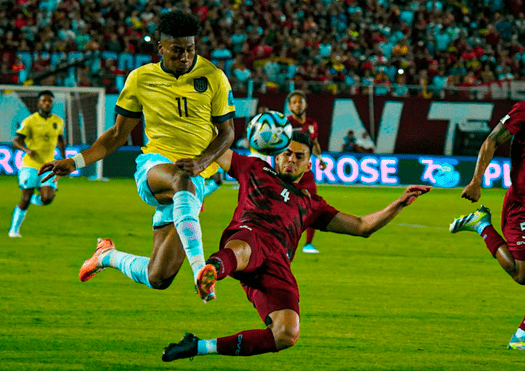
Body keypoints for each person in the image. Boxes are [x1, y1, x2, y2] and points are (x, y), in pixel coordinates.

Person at [162, 131, 430, 361]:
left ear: (308, 165)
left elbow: (362, 226)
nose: (291, 158)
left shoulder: (312, 204)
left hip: (276, 263)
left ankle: (198, 346)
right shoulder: (253, 167)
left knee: (286, 334)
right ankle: (210, 270)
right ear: (276, 155)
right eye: (287, 153)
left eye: (299, 156)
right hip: (248, 236)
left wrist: (400, 203)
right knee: (247, 245)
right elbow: (218, 148)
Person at [38, 11, 236, 303]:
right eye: (177, 50)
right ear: (161, 48)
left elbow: (227, 133)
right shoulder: (141, 79)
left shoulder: (214, 77)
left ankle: (106, 256)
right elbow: (118, 135)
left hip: (194, 180)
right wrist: (76, 161)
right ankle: (200, 271)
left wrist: (204, 161)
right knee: (181, 179)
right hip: (155, 168)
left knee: (159, 277)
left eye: (191, 50)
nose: (185, 57)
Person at [449, 101, 525, 350]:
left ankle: (522, 335)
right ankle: (482, 225)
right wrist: (476, 181)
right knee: (521, 274)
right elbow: (491, 140)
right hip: (522, 205)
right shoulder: (522, 111)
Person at [8, 90, 65, 238]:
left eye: (49, 101)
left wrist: (64, 159)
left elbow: (60, 139)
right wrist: (26, 149)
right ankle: (14, 230)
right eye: (44, 101)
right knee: (24, 200)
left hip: (49, 166)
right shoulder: (30, 121)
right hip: (30, 165)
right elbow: (16, 140)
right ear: (39, 103)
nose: (47, 103)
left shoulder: (58, 121)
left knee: (47, 199)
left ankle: (35, 198)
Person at [286, 90, 327, 254]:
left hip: (306, 172)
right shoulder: (285, 124)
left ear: (305, 105)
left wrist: (320, 158)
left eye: (300, 101)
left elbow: (315, 143)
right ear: (289, 106)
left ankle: (308, 244)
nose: (298, 104)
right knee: (286, 208)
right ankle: (283, 243)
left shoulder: (312, 123)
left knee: (313, 206)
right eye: (294, 102)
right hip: (288, 173)